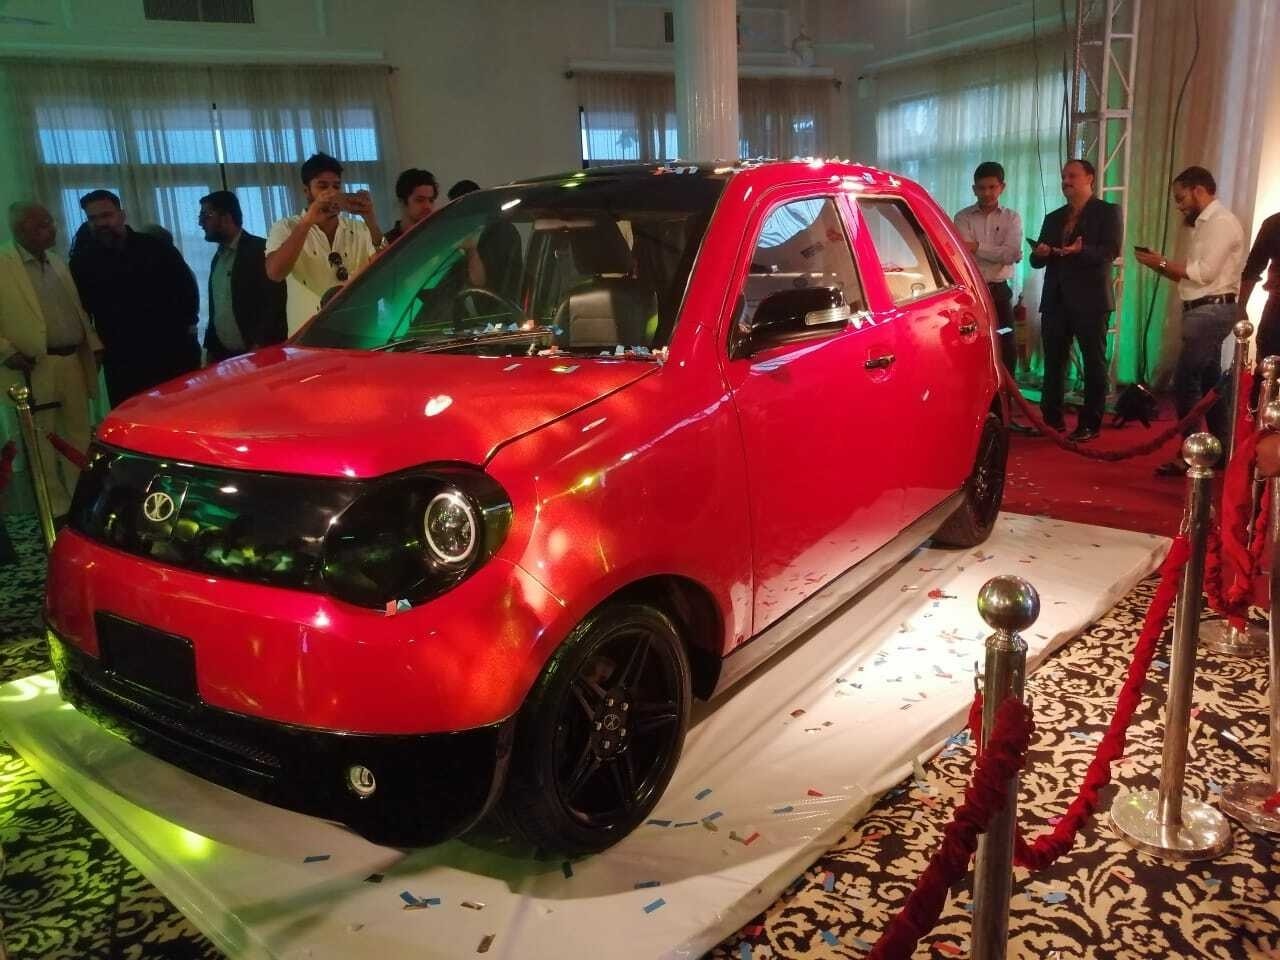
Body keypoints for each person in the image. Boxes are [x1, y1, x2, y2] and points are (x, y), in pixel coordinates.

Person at [1135, 166, 1245, 475]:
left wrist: (1162, 262)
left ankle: (1194, 452)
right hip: (1204, 309)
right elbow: (1193, 277)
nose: (1179, 206)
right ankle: (1220, 450)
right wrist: (1159, 264)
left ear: (1199, 190)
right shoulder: (1207, 224)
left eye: (1181, 198)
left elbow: (1204, 274)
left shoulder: (1220, 222)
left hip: (1211, 311)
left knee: (1186, 383)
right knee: (1210, 386)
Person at [0, 202, 102, 516]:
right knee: (41, 438)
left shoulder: (57, 261)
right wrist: (6, 351)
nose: (51, 228)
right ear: (20, 230)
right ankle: (55, 509)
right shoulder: (4, 263)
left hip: (71, 359)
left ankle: (80, 501)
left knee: (78, 433)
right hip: (33, 365)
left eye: (50, 222)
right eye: (42, 224)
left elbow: (76, 311)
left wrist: (93, 345)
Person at [69, 190, 201, 407]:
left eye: (106, 215)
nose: (101, 223)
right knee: (131, 422)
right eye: (93, 218)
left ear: (122, 215)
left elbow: (187, 296)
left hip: (170, 356)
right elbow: (83, 311)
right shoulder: (83, 262)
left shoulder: (156, 248)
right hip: (122, 363)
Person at [1029, 159, 1123, 443]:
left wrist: (1079, 251)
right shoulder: (1054, 217)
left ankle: (1090, 423)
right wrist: (1040, 253)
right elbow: (1036, 261)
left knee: (1093, 362)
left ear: (1090, 178)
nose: (1066, 181)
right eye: (1063, 176)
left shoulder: (1107, 212)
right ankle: (1051, 420)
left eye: (1072, 176)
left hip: (1091, 299)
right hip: (1055, 298)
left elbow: (1111, 251)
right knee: (1053, 363)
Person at [266, 152, 381, 334]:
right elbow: (275, 273)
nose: (331, 192)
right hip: (307, 336)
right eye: (322, 186)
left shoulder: (359, 228)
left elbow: (387, 271)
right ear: (306, 191)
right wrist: (307, 222)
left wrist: (371, 219)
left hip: (357, 331)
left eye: (336, 186)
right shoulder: (286, 227)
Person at [199, 191, 287, 361]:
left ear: (226, 217)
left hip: (260, 357)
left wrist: (259, 347)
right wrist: (211, 350)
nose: (201, 222)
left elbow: (275, 303)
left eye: (206, 215)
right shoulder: (218, 258)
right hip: (225, 358)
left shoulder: (260, 250)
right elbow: (217, 308)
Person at [1240, 210, 1280, 375]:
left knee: (1267, 370)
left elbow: (1253, 268)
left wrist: (1241, 306)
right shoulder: (1274, 223)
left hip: (1276, 309)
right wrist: (1241, 306)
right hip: (1276, 310)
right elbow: (1253, 268)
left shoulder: (1274, 222)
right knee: (1267, 368)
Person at [383, 168, 439, 246]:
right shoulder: (387, 244)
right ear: (402, 202)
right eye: (420, 200)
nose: (427, 206)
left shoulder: (439, 237)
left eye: (431, 200)